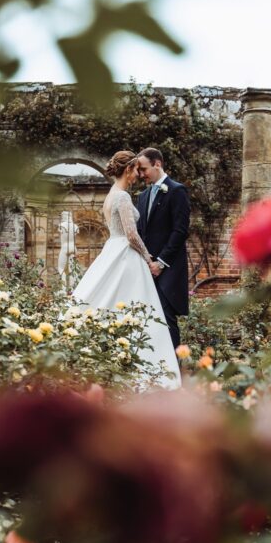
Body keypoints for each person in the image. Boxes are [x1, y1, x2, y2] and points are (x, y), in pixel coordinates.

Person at [71, 151, 182, 389]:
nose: (138, 176)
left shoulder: (111, 195)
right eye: (136, 171)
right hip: (126, 253)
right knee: (136, 304)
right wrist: (147, 256)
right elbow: (132, 234)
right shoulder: (121, 197)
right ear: (128, 169)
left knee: (115, 301)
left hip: (113, 248)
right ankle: (148, 371)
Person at [135, 148, 190, 350]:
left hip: (168, 269)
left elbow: (180, 231)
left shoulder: (177, 191)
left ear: (157, 164)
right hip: (145, 268)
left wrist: (161, 262)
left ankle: (175, 372)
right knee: (146, 320)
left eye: (143, 169)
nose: (141, 174)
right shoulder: (142, 196)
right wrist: (145, 261)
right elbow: (141, 233)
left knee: (167, 320)